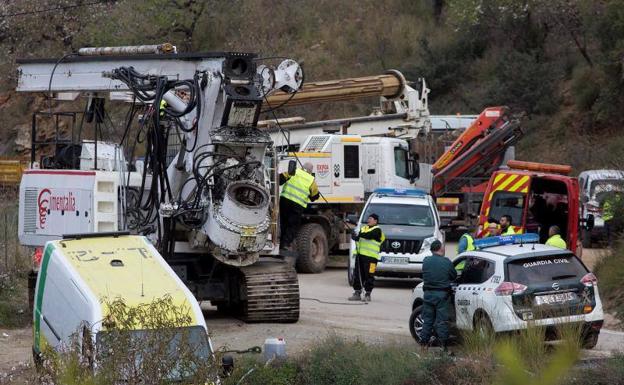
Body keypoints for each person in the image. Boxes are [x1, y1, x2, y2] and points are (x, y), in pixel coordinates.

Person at [420, 240, 456, 351]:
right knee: (442, 321)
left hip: (428, 295)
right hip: (442, 295)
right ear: (440, 249)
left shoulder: (426, 261)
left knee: (428, 320)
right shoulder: (446, 262)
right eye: (443, 247)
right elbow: (453, 276)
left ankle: (424, 345)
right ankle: (443, 346)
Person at [279, 162, 319, 249]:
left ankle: (278, 240)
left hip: (284, 200)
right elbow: (314, 197)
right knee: (293, 225)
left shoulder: (293, 171)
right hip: (297, 206)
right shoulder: (311, 180)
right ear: (310, 171)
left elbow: (280, 179)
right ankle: (285, 244)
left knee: (282, 222)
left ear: (302, 168)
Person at [348, 213, 385, 302]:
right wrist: (354, 236)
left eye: (371, 218)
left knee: (369, 276)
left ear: (375, 221)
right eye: (368, 218)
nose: (368, 220)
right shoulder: (363, 229)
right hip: (360, 256)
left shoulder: (377, 230)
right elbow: (359, 239)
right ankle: (357, 293)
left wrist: (359, 235)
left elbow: (369, 236)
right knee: (358, 275)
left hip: (372, 258)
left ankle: (368, 294)